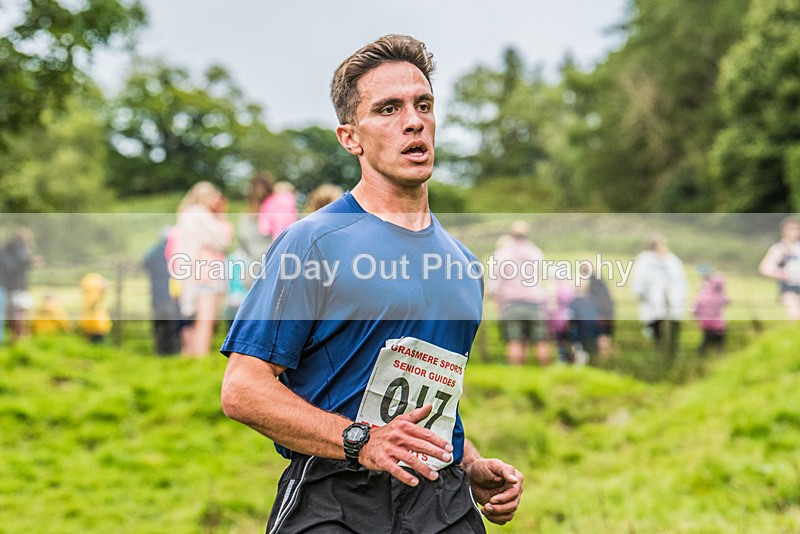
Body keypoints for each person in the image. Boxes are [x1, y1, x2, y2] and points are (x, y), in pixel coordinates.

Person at [220, 35, 522, 532]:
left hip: (442, 501)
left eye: (423, 104)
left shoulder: (464, 266)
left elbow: (431, 399)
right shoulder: (312, 242)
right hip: (337, 497)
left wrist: (470, 464)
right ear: (350, 138)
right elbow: (243, 389)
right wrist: (362, 440)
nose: (413, 121)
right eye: (388, 109)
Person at [168, 182, 233, 357]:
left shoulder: (185, 215)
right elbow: (223, 239)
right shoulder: (201, 214)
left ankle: (190, 356)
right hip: (206, 272)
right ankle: (201, 356)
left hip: (190, 272)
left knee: (192, 319)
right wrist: (221, 216)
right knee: (206, 319)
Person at [487, 221, 550, 365]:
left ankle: (516, 372)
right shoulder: (535, 252)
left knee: (514, 340)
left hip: (511, 303)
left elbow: (494, 285)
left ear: (511, 234)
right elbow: (543, 276)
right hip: (534, 301)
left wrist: (496, 298)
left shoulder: (501, 254)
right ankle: (546, 371)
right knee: (541, 340)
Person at [629, 234, 688, 359]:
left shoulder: (672, 261)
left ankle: (669, 362)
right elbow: (639, 284)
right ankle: (661, 362)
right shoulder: (645, 261)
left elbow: (681, 283)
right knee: (659, 341)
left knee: (671, 341)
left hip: (672, 309)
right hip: (654, 310)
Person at [142, 229, 181, 355]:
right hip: (172, 297)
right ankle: (173, 352)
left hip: (157, 296)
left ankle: (160, 352)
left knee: (159, 326)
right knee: (173, 327)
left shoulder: (153, 253)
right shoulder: (175, 252)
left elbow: (144, 263)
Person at [759, 215, 800, 321]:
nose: (795, 232)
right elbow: (765, 268)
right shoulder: (780, 248)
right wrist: (781, 273)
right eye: (792, 229)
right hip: (789, 289)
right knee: (795, 316)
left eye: (797, 228)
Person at [692, 265, 730, 356]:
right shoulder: (721, 295)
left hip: (707, 323)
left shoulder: (704, 295)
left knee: (706, 342)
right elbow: (727, 301)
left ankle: (701, 357)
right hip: (719, 324)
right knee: (719, 344)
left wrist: (695, 313)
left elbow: (697, 307)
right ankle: (719, 358)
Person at [79, 273, 112, 343]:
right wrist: (103, 291)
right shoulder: (93, 298)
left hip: (95, 328)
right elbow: (93, 302)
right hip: (94, 329)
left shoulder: (90, 298)